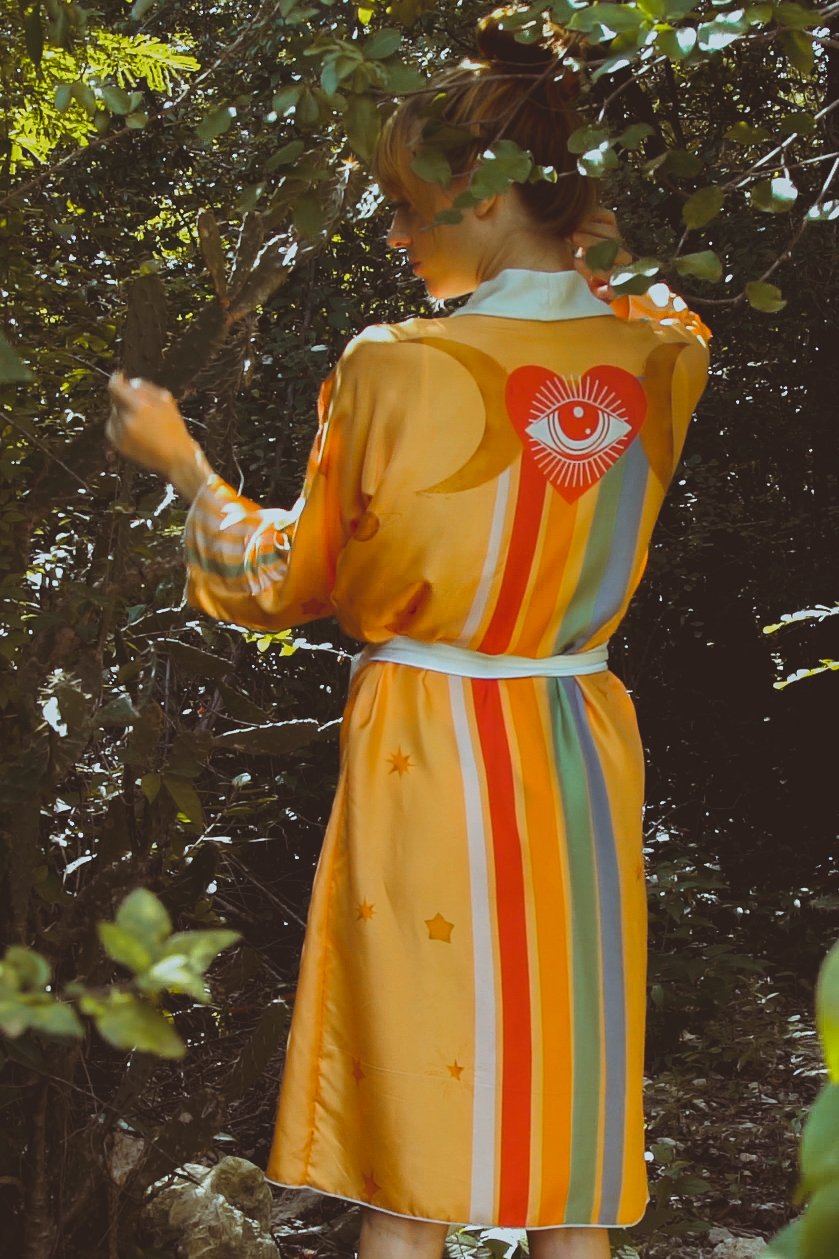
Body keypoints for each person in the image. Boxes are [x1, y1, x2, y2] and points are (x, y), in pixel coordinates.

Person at [107, 10, 710, 1258]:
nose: (391, 233)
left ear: (482, 198)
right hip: (575, 744)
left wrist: (185, 470)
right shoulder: (661, 356)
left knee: (406, 1137)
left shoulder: (393, 366)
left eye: (404, 202)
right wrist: (562, 200)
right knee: (571, 1117)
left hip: (427, 745)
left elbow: (295, 576)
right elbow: (626, 289)